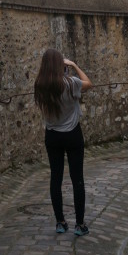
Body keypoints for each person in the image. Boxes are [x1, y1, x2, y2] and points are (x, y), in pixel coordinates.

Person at [33, 48, 92, 237]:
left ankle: (60, 221)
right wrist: (73, 65)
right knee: (77, 179)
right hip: (73, 134)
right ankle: (80, 224)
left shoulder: (40, 86)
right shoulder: (70, 83)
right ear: (61, 65)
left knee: (55, 178)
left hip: (52, 135)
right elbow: (88, 83)